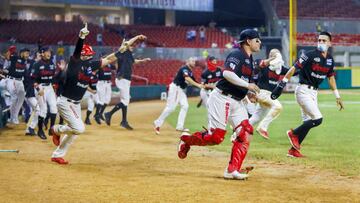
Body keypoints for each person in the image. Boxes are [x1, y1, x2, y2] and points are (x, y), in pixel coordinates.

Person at [177, 29, 261, 180]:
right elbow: (227, 74)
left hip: (237, 101)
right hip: (222, 98)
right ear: (248, 41)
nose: (260, 42)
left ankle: (232, 170)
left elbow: (241, 81)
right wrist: (248, 86)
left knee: (245, 131)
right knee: (216, 138)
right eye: (257, 40)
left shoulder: (250, 60)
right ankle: (186, 140)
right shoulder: (237, 54)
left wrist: (249, 93)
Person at [49, 23, 125, 164]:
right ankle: (56, 129)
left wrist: (121, 52)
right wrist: (82, 36)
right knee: (79, 129)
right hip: (66, 102)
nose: (89, 58)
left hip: (75, 104)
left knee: (74, 133)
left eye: (90, 56)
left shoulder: (90, 65)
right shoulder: (74, 63)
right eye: (87, 55)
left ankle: (57, 155)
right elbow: (77, 50)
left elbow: (109, 59)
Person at [271, 31, 344, 158]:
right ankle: (293, 134)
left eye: (324, 40)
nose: (321, 42)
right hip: (303, 91)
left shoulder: (330, 60)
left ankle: (293, 151)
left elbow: (331, 78)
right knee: (318, 119)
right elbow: (294, 68)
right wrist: (282, 84)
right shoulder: (309, 55)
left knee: (308, 122)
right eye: (319, 40)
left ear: (330, 43)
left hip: (314, 92)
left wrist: (337, 96)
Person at [104, 35, 150, 130]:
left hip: (126, 79)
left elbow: (134, 62)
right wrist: (137, 37)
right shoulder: (123, 50)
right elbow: (127, 43)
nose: (133, 46)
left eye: (134, 45)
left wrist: (143, 61)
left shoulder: (129, 53)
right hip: (122, 78)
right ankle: (109, 114)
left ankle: (123, 121)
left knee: (125, 101)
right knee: (125, 100)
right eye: (132, 45)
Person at [153, 57, 205, 135]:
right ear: (187, 61)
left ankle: (179, 126)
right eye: (192, 61)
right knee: (171, 108)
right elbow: (187, 78)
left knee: (185, 106)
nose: (194, 62)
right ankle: (157, 122)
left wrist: (202, 85)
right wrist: (198, 85)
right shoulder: (184, 68)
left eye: (195, 61)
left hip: (180, 91)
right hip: (176, 89)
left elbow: (194, 81)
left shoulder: (190, 71)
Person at [249, 49, 288, 139]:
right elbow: (258, 66)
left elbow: (292, 71)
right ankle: (263, 128)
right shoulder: (263, 64)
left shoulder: (279, 68)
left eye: (276, 54)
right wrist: (272, 59)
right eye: (272, 54)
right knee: (278, 107)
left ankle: (237, 133)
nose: (274, 55)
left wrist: (302, 66)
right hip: (262, 93)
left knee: (256, 118)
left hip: (268, 95)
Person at [32, 46, 58, 139]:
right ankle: (40, 130)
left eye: (50, 52)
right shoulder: (37, 64)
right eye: (47, 52)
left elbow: (53, 78)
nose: (49, 54)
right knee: (43, 110)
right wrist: (39, 88)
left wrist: (54, 88)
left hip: (49, 87)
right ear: (42, 53)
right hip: (41, 87)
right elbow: (33, 79)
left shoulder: (52, 63)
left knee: (54, 108)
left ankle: (52, 128)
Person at [3, 46, 27, 124]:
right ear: (22, 53)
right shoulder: (15, 57)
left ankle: (14, 117)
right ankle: (11, 116)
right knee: (14, 98)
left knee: (21, 99)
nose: (27, 55)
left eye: (28, 53)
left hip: (20, 81)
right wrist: (9, 51)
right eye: (26, 53)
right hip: (11, 80)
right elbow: (7, 57)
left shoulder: (25, 61)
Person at [93, 60, 115, 124]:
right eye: (103, 57)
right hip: (101, 83)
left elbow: (116, 67)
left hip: (108, 83)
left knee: (107, 100)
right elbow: (93, 72)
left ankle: (100, 113)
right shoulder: (99, 65)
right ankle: (96, 115)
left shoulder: (109, 65)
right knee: (101, 100)